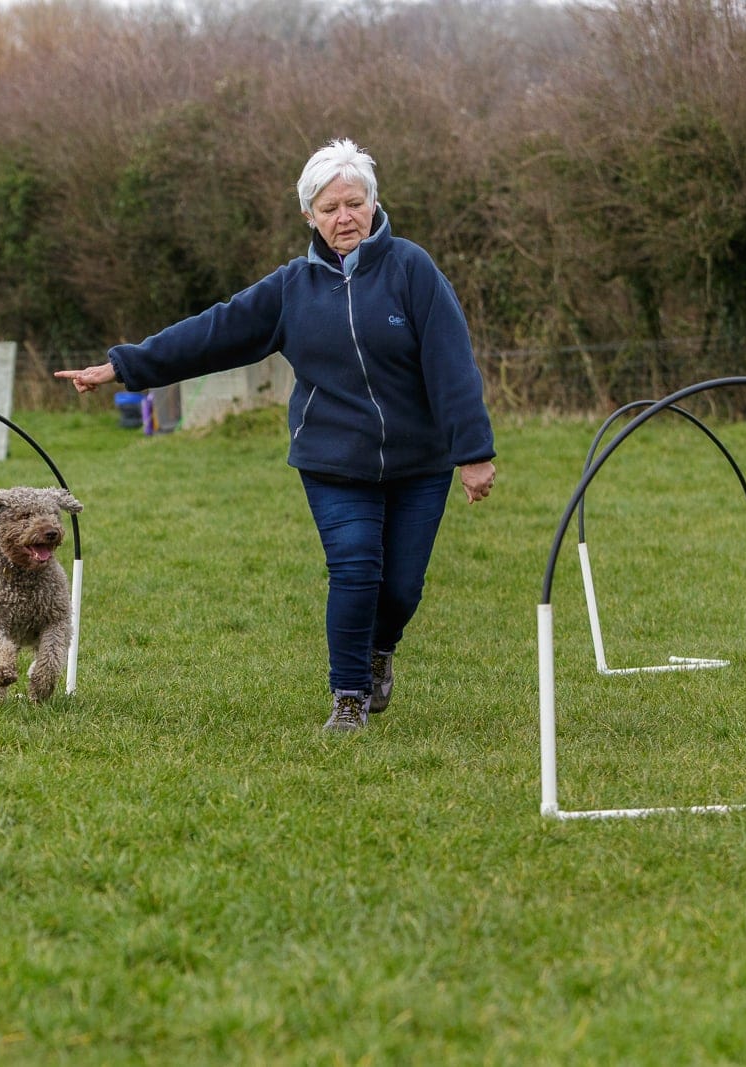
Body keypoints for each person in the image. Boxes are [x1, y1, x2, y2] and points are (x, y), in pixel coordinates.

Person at [56, 138, 496, 732]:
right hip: (333, 460)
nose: (346, 218)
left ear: (373, 204)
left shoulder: (412, 270)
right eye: (330, 208)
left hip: (419, 463)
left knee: (401, 589)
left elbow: (452, 362)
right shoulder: (293, 287)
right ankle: (348, 697)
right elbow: (214, 332)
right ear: (309, 217)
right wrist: (124, 366)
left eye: (355, 203)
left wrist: (472, 454)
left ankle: (379, 650)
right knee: (355, 570)